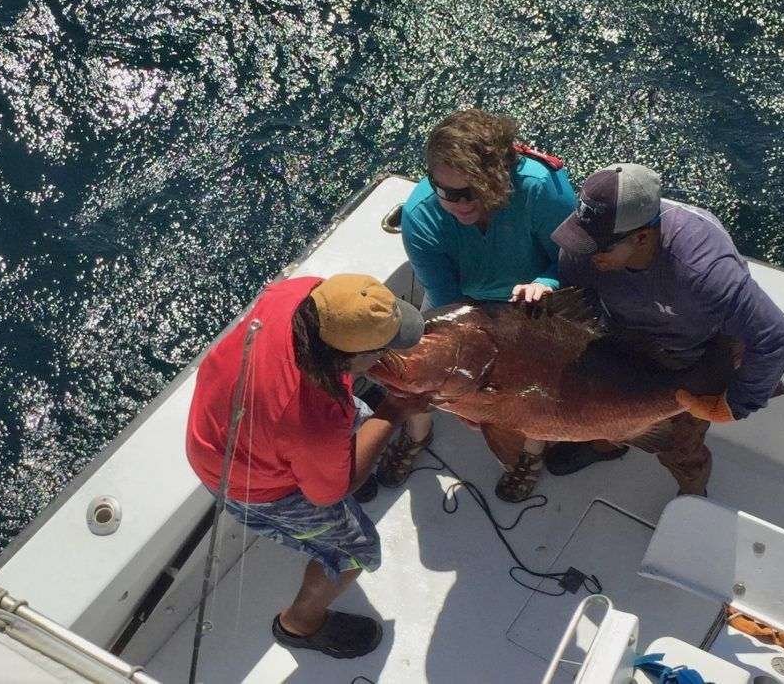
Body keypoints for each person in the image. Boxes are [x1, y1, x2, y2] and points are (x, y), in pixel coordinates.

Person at [186, 273, 427, 659]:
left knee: (360, 420)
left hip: (219, 424)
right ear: (345, 358)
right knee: (354, 550)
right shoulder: (311, 416)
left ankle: (346, 460)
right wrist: (395, 409)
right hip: (254, 481)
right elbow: (330, 491)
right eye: (380, 350)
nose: (386, 355)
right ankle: (299, 625)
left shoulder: (300, 294)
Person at [548, 163, 784, 496]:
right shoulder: (583, 251)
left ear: (641, 236)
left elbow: (777, 337)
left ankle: (692, 490)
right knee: (590, 406)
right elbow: (579, 305)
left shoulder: (701, 271)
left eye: (599, 246)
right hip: (626, 337)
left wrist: (735, 405)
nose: (583, 251)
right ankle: (606, 445)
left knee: (680, 446)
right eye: (580, 238)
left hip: (697, 350)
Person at [376, 108, 579, 502]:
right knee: (410, 363)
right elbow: (450, 303)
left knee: (539, 379)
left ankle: (531, 453)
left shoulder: (543, 188)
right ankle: (417, 432)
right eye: (445, 190)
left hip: (533, 304)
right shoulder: (422, 217)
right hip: (461, 303)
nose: (457, 203)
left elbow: (573, 260)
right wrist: (469, 397)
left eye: (472, 192)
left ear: (502, 176)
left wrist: (546, 283)